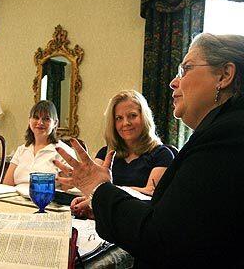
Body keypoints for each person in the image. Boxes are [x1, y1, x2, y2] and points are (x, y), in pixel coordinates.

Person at [55, 33, 244, 268]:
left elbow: (160, 239)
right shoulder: (240, 127)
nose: (173, 82)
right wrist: (102, 205)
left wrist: (98, 189)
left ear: (224, 75)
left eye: (186, 69)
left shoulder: (233, 137)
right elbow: (174, 220)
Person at [70, 90, 175, 218]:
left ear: (144, 118)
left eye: (132, 115)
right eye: (119, 118)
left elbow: (150, 192)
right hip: (105, 221)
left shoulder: (162, 154)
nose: (126, 123)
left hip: (137, 221)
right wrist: (85, 200)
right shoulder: (105, 153)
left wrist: (105, 193)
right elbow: (92, 186)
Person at [2, 100, 75, 187]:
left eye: (46, 119)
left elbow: (66, 190)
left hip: (46, 199)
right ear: (29, 120)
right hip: (14, 197)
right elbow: (7, 185)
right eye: (36, 117)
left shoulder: (64, 151)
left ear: (55, 123)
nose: (40, 122)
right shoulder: (22, 149)